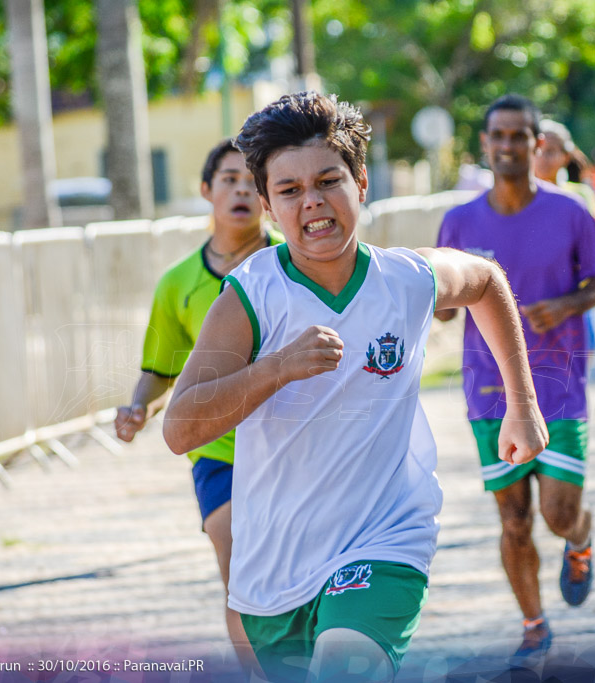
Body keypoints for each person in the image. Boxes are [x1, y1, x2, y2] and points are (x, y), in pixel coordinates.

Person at [161, 91, 548, 683]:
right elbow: (181, 426)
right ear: (267, 204)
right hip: (275, 568)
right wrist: (276, 368)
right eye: (289, 191)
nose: (313, 203)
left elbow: (485, 281)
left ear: (361, 182)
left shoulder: (406, 279)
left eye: (328, 181)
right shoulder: (250, 295)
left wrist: (522, 405)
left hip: (385, 536)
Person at [436, 94, 595, 659]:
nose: (509, 145)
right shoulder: (460, 221)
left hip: (560, 388)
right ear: (485, 145)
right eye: (499, 136)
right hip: (488, 392)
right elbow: (442, 301)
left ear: (538, 144)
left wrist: (565, 305)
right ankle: (534, 624)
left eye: (520, 136)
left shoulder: (570, 212)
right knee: (514, 520)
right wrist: (432, 302)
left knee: (558, 514)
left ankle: (580, 540)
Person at [114, 139, 282, 673]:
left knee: (298, 573)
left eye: (252, 182)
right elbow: (160, 368)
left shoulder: (294, 263)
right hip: (219, 451)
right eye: (229, 179)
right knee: (238, 575)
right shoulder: (177, 284)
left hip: (292, 444)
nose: (241, 190)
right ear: (206, 190)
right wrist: (137, 407)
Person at [535, 120, 595, 353]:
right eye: (538, 151)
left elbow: (593, 248)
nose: (543, 158)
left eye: (551, 152)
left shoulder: (579, 196)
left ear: (565, 156)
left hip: (573, 295)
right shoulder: (513, 201)